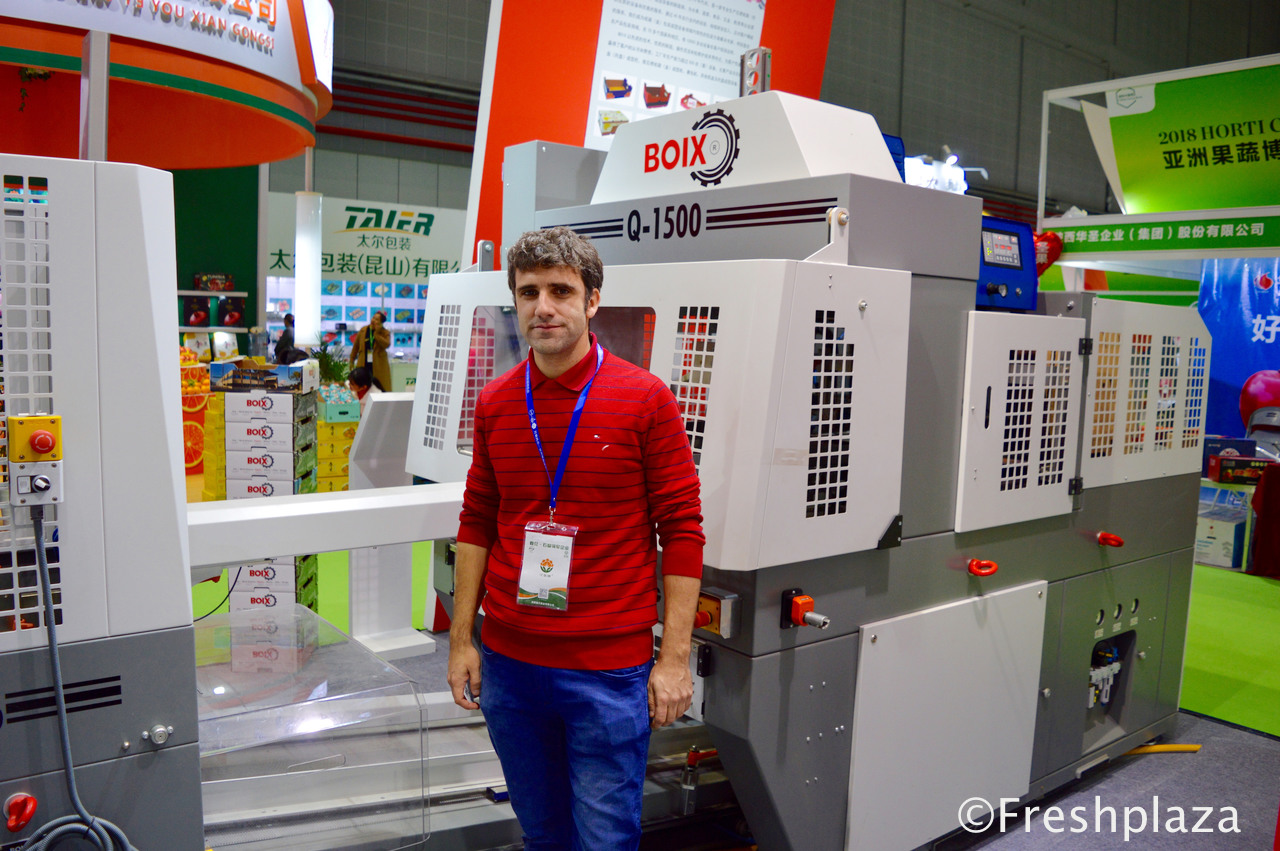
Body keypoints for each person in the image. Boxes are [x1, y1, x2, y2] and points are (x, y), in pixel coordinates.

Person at [448, 227, 704, 850]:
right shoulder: (496, 403)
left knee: (604, 839)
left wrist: (673, 659)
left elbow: (682, 530)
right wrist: (461, 640)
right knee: (542, 835)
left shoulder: (645, 400)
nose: (543, 307)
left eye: (560, 291)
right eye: (529, 292)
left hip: (606, 672)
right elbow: (477, 520)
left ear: (592, 301)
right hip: (510, 666)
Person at [349, 310, 392, 393]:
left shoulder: (384, 332)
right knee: (362, 384)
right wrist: (352, 360)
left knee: (379, 387)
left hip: (378, 365)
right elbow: (356, 346)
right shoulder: (363, 330)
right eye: (373, 318)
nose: (373, 320)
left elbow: (386, 344)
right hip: (364, 362)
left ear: (381, 323)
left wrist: (377, 334)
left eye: (377, 319)